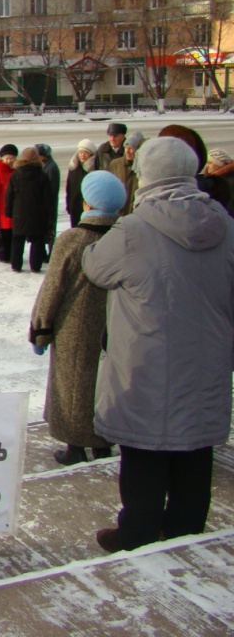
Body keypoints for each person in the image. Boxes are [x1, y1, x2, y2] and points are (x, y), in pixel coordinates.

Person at [82, 137, 234, 553]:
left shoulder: (134, 229)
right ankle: (185, 525)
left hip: (147, 361)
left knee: (145, 450)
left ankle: (138, 530)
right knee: (195, 447)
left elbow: (94, 266)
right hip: (208, 359)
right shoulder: (224, 224)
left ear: (145, 175)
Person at [30, 171, 127, 466]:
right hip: (117, 326)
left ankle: (75, 446)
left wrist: (40, 328)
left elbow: (53, 288)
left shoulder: (73, 239)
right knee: (105, 384)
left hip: (75, 324)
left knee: (74, 386)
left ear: (87, 203)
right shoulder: (126, 238)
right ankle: (102, 443)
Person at [4, 146, 53, 274]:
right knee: (37, 240)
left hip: (19, 213)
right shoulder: (42, 175)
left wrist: (8, 211)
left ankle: (16, 265)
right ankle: (35, 266)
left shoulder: (15, 175)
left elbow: (9, 195)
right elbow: (48, 198)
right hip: (37, 215)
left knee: (17, 240)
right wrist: (50, 215)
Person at [108, 131, 145, 216]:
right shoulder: (115, 165)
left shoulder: (144, 167)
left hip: (137, 214)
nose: (127, 151)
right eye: (126, 148)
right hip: (118, 214)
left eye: (131, 148)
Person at [34, 144, 60, 259]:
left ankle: (51, 253)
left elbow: (52, 189)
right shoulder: (44, 165)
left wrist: (47, 204)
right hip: (44, 204)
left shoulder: (51, 167)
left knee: (50, 229)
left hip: (49, 205)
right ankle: (44, 253)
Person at [65, 139, 97, 227]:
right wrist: (68, 204)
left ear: (91, 154)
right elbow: (69, 188)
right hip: (74, 207)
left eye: (85, 152)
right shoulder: (73, 168)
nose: (82, 155)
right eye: (80, 152)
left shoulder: (94, 169)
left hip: (88, 209)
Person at [204, 148, 234, 217]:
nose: (207, 166)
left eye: (210, 163)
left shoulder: (230, 182)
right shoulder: (209, 180)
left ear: (220, 164)